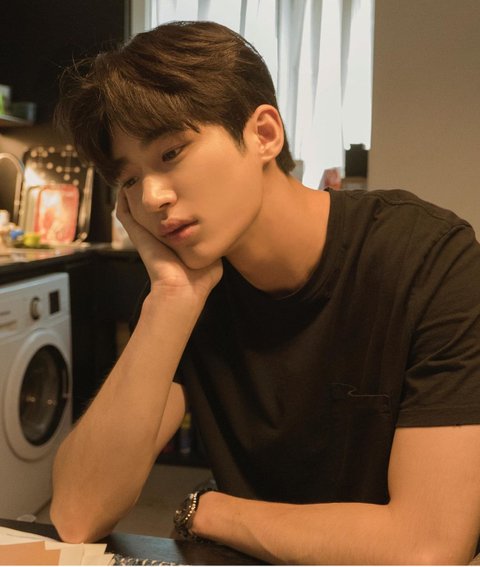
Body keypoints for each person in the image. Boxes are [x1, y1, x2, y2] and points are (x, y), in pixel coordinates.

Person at [51, 20, 480, 564]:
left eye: (171, 152)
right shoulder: (189, 286)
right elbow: (77, 514)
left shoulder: (427, 258)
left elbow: (428, 547)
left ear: (264, 134)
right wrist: (172, 300)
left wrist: (211, 512)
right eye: (129, 180)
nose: (152, 197)